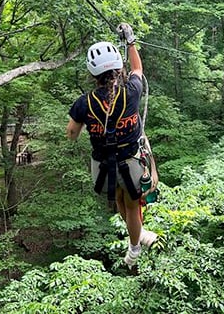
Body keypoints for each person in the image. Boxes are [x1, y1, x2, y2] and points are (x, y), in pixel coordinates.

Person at [66, 23, 159, 267]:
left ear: (92, 73)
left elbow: (72, 134)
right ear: (118, 68)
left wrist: (90, 123)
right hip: (132, 161)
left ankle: (136, 240)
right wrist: (130, 41)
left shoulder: (83, 103)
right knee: (131, 204)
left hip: (105, 166)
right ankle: (136, 245)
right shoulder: (132, 91)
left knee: (119, 199)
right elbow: (138, 68)